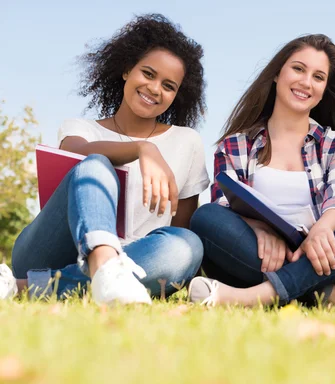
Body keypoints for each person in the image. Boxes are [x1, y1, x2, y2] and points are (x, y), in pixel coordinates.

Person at [0, 14, 210, 305]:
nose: (154, 88)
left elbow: (179, 226)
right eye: (148, 74)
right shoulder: (80, 128)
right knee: (96, 164)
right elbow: (79, 153)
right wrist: (143, 149)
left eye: (168, 85)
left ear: (177, 95)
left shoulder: (187, 142)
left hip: (139, 259)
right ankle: (104, 266)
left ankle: (27, 288)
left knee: (187, 245)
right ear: (126, 70)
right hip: (49, 252)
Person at [189, 34, 335, 308]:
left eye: (318, 77)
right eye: (298, 69)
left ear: (324, 89)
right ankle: (325, 296)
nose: (306, 82)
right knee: (206, 217)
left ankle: (257, 297)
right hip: (257, 255)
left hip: (326, 257)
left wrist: (321, 231)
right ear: (277, 74)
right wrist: (259, 229)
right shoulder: (234, 145)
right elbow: (224, 204)